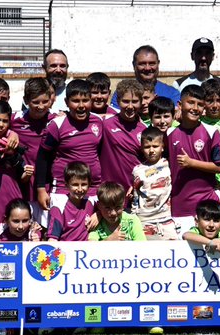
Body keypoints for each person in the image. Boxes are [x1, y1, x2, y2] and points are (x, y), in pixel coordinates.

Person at [35, 79, 102, 208]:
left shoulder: (98, 122)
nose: (81, 105)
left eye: (85, 100)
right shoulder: (57, 125)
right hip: (62, 190)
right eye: (76, 101)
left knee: (91, 227)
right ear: (66, 102)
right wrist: (41, 189)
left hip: (93, 190)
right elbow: (42, 157)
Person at [167, 85, 220, 233]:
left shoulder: (212, 132)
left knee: (212, 251)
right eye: (190, 102)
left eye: (200, 104)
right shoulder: (169, 133)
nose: (195, 108)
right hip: (179, 206)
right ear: (180, 105)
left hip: (207, 206)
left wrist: (191, 163)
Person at [0, 101, 30, 235]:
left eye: (5, 121)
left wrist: (27, 174)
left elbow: (22, 178)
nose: (1, 124)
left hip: (13, 206)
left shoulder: (15, 146)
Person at [99, 79, 148, 189]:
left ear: (141, 102)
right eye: (125, 101)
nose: (130, 106)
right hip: (109, 191)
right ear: (118, 100)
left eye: (135, 101)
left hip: (134, 190)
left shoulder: (145, 130)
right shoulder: (105, 124)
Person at [132, 127, 177, 240]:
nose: (151, 150)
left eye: (155, 146)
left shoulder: (169, 164)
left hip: (166, 219)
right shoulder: (137, 170)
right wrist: (134, 218)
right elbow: (136, 196)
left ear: (162, 147)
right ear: (142, 148)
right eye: (147, 147)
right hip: (144, 220)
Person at [112, 45, 181, 107]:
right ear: (134, 65)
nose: (147, 68)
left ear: (158, 64)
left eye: (152, 63)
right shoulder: (123, 92)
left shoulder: (172, 94)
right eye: (142, 64)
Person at [45, 162, 97, 241]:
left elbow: (109, 209)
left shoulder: (91, 202)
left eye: (83, 184)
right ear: (66, 185)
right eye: (75, 185)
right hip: (66, 251)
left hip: (87, 251)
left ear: (89, 184)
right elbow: (52, 239)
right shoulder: (59, 207)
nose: (80, 189)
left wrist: (98, 214)